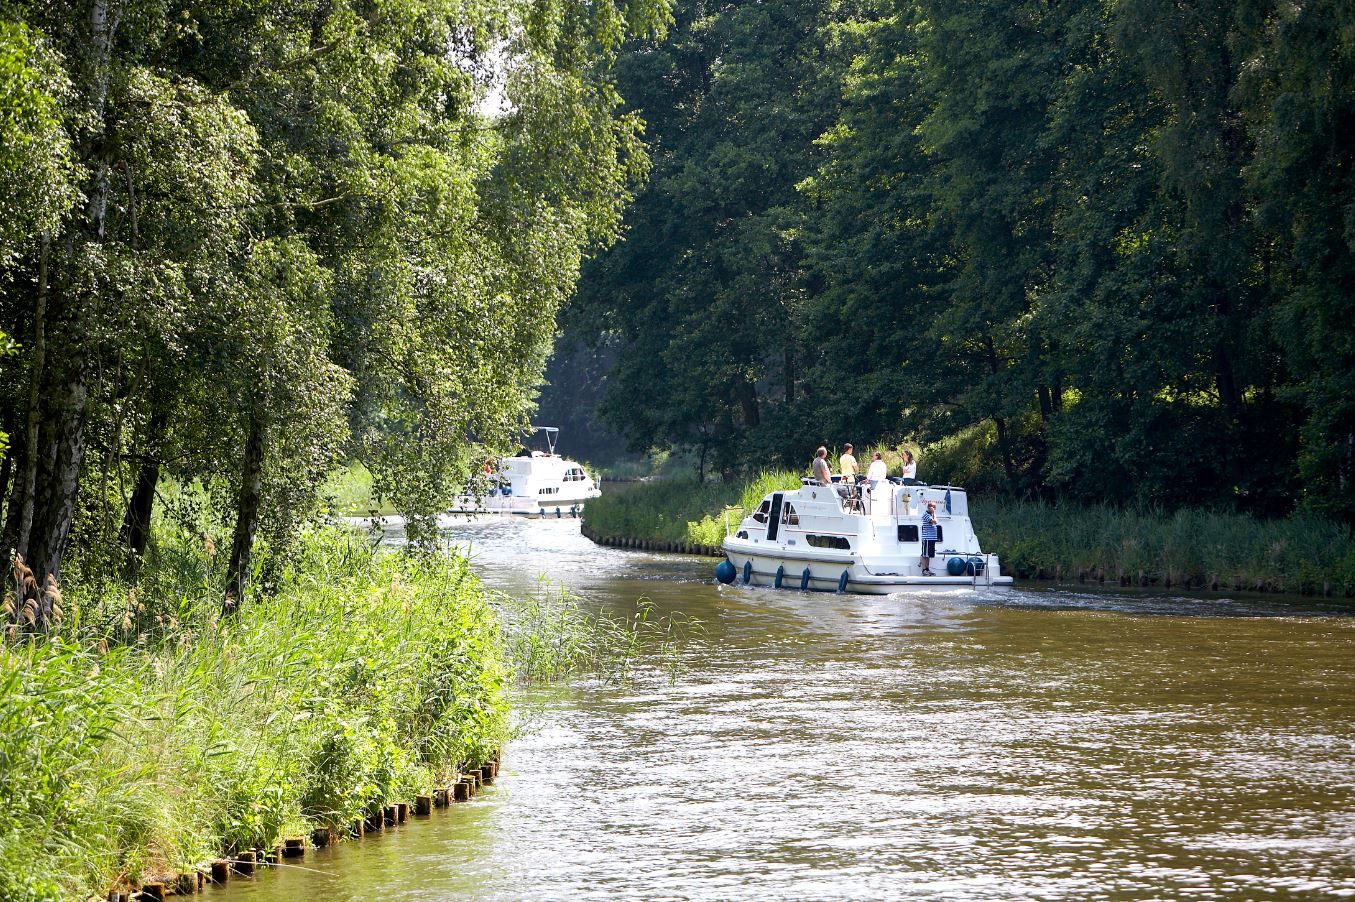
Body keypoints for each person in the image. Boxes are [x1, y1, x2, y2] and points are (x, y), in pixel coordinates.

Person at [920, 499, 938, 576]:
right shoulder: (926, 515)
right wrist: (934, 514)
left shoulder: (930, 515)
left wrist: (933, 514)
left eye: (935, 508)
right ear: (929, 507)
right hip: (927, 538)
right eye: (933, 507)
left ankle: (927, 569)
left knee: (929, 555)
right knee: (925, 555)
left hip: (931, 539)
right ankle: (924, 570)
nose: (934, 509)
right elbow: (935, 521)